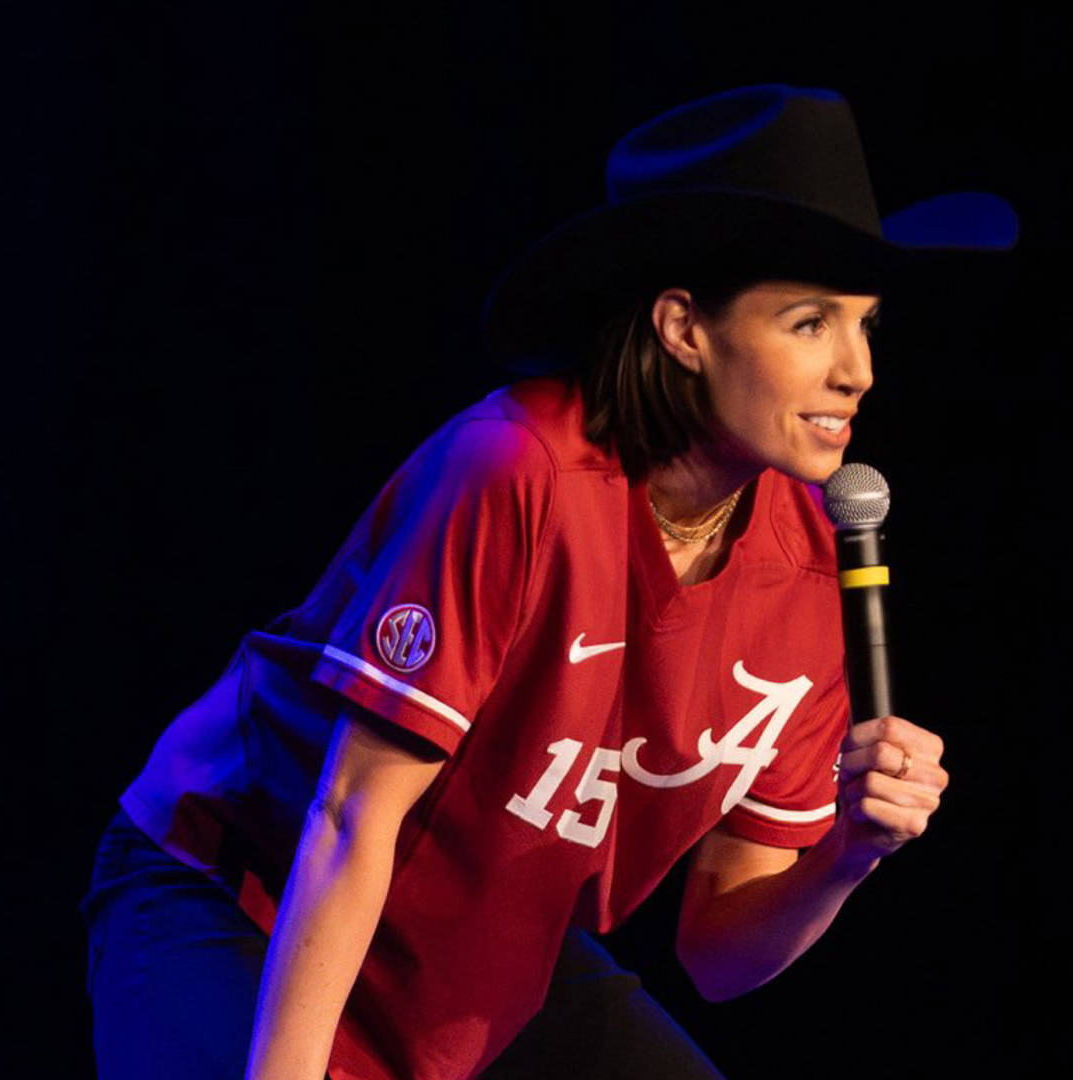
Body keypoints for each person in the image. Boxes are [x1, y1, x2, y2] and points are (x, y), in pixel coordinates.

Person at [81, 84, 1015, 1080]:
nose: (857, 371)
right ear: (683, 328)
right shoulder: (516, 473)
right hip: (245, 895)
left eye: (867, 326)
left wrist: (847, 855)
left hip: (475, 937)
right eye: (809, 323)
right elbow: (351, 818)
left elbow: (718, 954)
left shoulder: (810, 568)